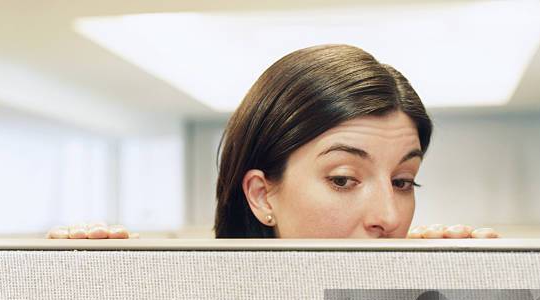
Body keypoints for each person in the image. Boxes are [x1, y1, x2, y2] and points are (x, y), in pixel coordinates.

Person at [47, 44, 498, 240]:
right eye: (343, 179)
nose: (388, 217)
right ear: (263, 195)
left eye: (403, 181)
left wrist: (466, 293)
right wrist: (82, 285)